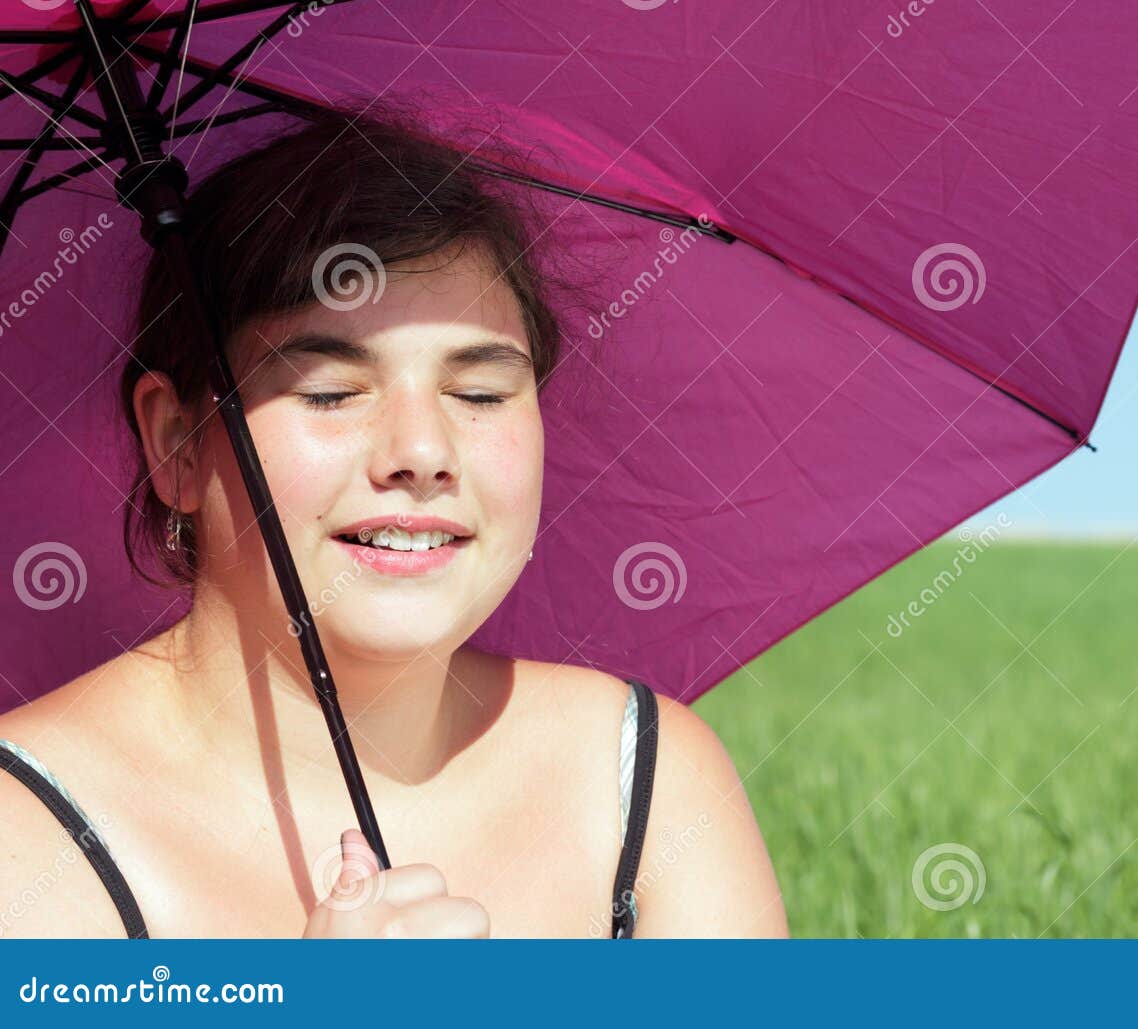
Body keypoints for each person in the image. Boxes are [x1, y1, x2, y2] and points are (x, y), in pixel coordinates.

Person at [0, 108, 787, 939]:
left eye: (479, 394)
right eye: (331, 392)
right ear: (177, 443)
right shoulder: (27, 843)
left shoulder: (645, 786)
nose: (422, 451)